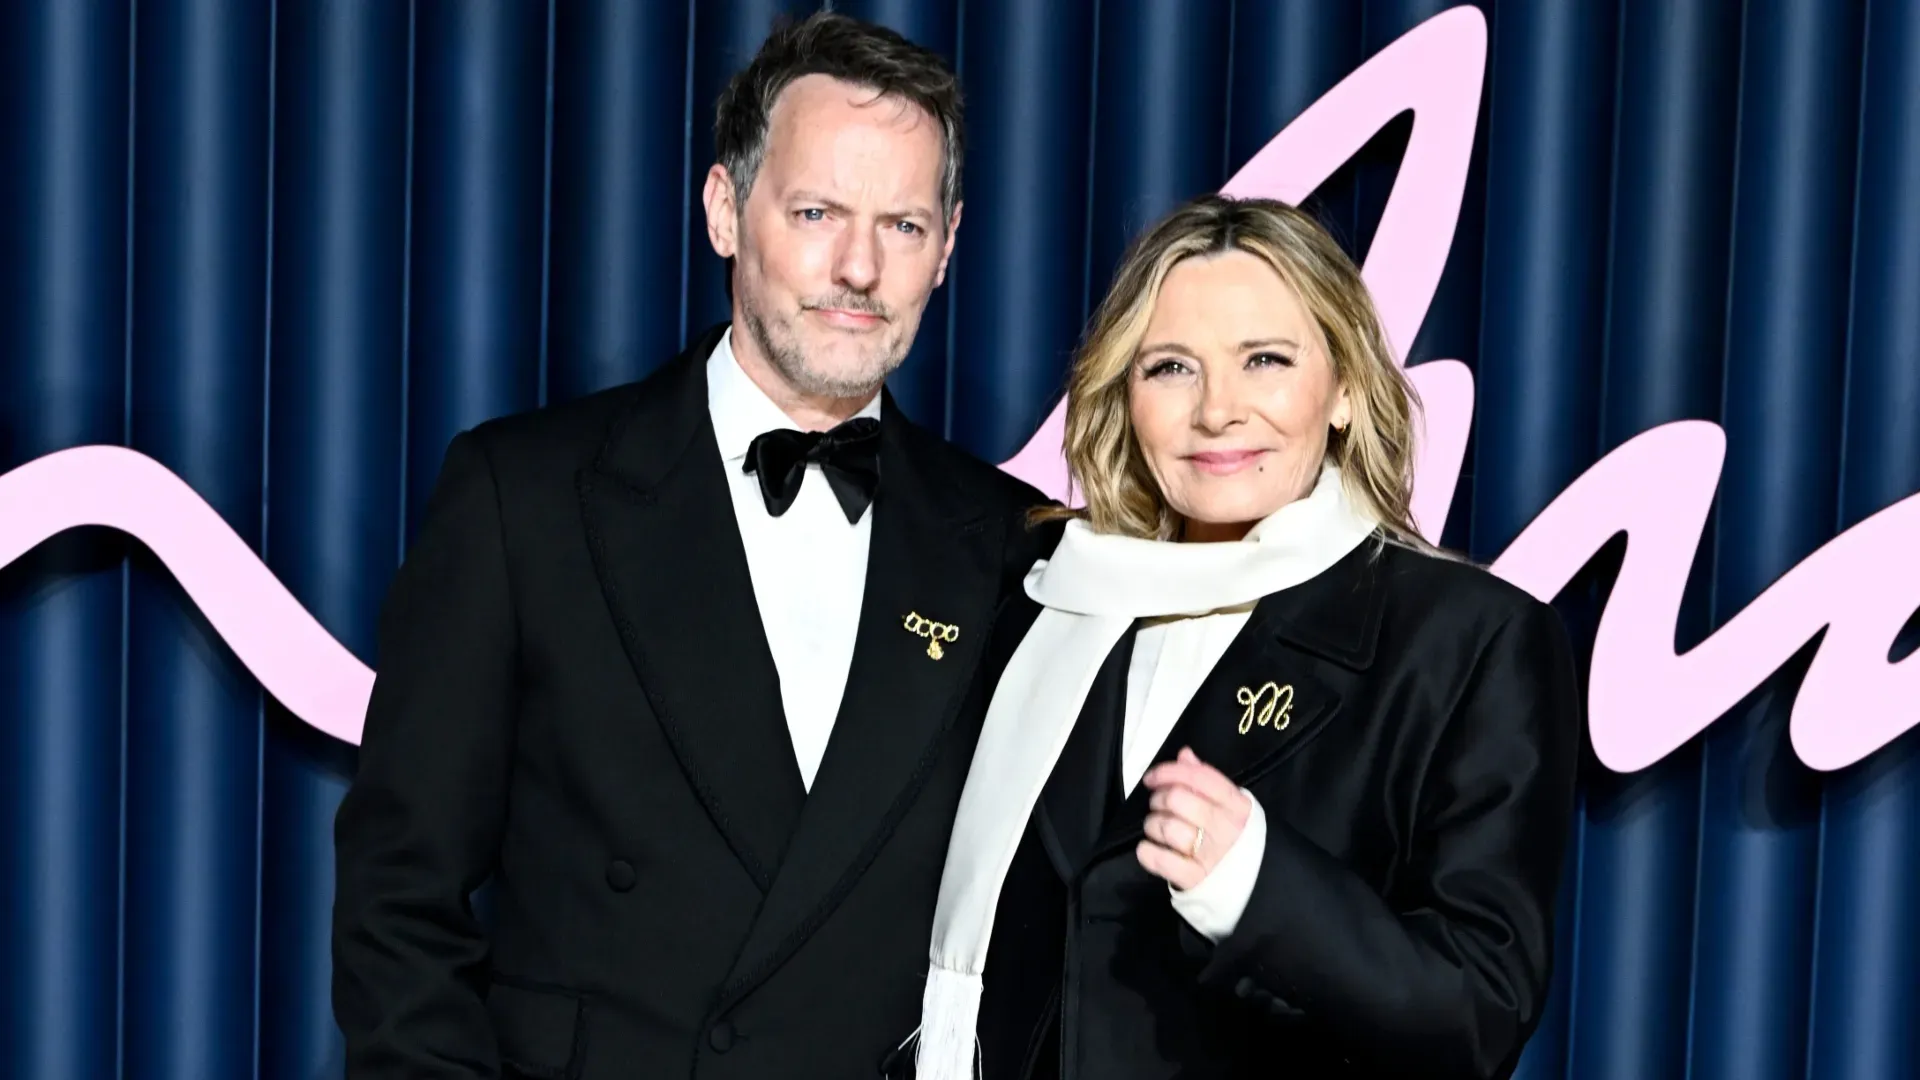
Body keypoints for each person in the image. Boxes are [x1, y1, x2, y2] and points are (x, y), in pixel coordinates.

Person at [332, 13, 1055, 1079]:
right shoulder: (523, 496)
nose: (858, 266)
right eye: (816, 211)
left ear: (949, 246)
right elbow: (400, 902)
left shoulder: (1009, 543)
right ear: (726, 209)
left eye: (902, 226)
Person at [903, 194, 1580, 1080]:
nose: (1218, 411)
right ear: (1124, 393)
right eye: (1172, 367)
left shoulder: (1470, 641)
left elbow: (1478, 1015)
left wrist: (1259, 888)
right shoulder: (1041, 598)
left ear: (1343, 390)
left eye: (1265, 360)